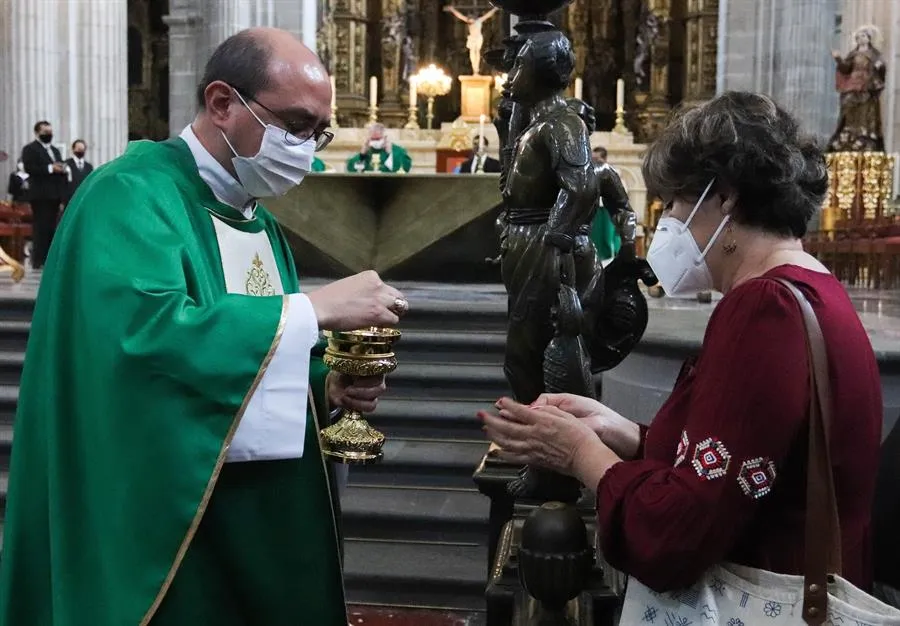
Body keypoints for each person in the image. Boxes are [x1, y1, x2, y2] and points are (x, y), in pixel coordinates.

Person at [0, 27, 407, 626]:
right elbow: (143, 341)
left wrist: (327, 383)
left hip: (249, 517)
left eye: (318, 133)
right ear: (222, 103)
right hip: (163, 515)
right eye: (296, 125)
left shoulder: (255, 219)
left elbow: (264, 352)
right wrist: (314, 309)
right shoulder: (129, 194)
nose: (306, 149)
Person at [480, 92, 883, 592]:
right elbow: (749, 461)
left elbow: (677, 532)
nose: (667, 219)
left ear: (726, 196)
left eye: (674, 202)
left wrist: (580, 453)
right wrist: (626, 434)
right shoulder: (813, 287)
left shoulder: (765, 309)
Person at [19, 120, 68, 269]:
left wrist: (61, 169)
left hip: (55, 195)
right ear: (37, 133)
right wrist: (50, 168)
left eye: (50, 132)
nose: (49, 134)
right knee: (41, 227)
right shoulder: (30, 149)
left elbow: (60, 167)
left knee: (52, 228)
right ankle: (38, 259)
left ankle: (49, 259)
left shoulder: (55, 150)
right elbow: (30, 168)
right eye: (45, 132)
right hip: (40, 195)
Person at [829, 25, 885, 152]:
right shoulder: (853, 54)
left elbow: (881, 67)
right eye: (858, 37)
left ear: (869, 38)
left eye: (863, 36)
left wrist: (879, 66)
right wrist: (838, 58)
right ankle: (849, 132)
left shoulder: (874, 54)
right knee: (848, 104)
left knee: (865, 109)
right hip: (852, 83)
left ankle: (864, 134)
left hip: (867, 84)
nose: (861, 38)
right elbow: (845, 68)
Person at [590, 146, 621, 262]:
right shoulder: (590, 172)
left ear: (604, 159)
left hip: (608, 209)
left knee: (607, 238)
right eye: (593, 159)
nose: (594, 161)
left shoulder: (613, 172)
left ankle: (611, 260)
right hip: (594, 209)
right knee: (594, 238)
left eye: (597, 159)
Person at [346, 122, 412, 173]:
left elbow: (405, 168)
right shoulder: (367, 150)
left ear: (385, 138)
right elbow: (352, 170)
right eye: (372, 139)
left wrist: (390, 154)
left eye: (378, 139)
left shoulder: (398, 151)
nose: (375, 142)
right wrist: (362, 155)